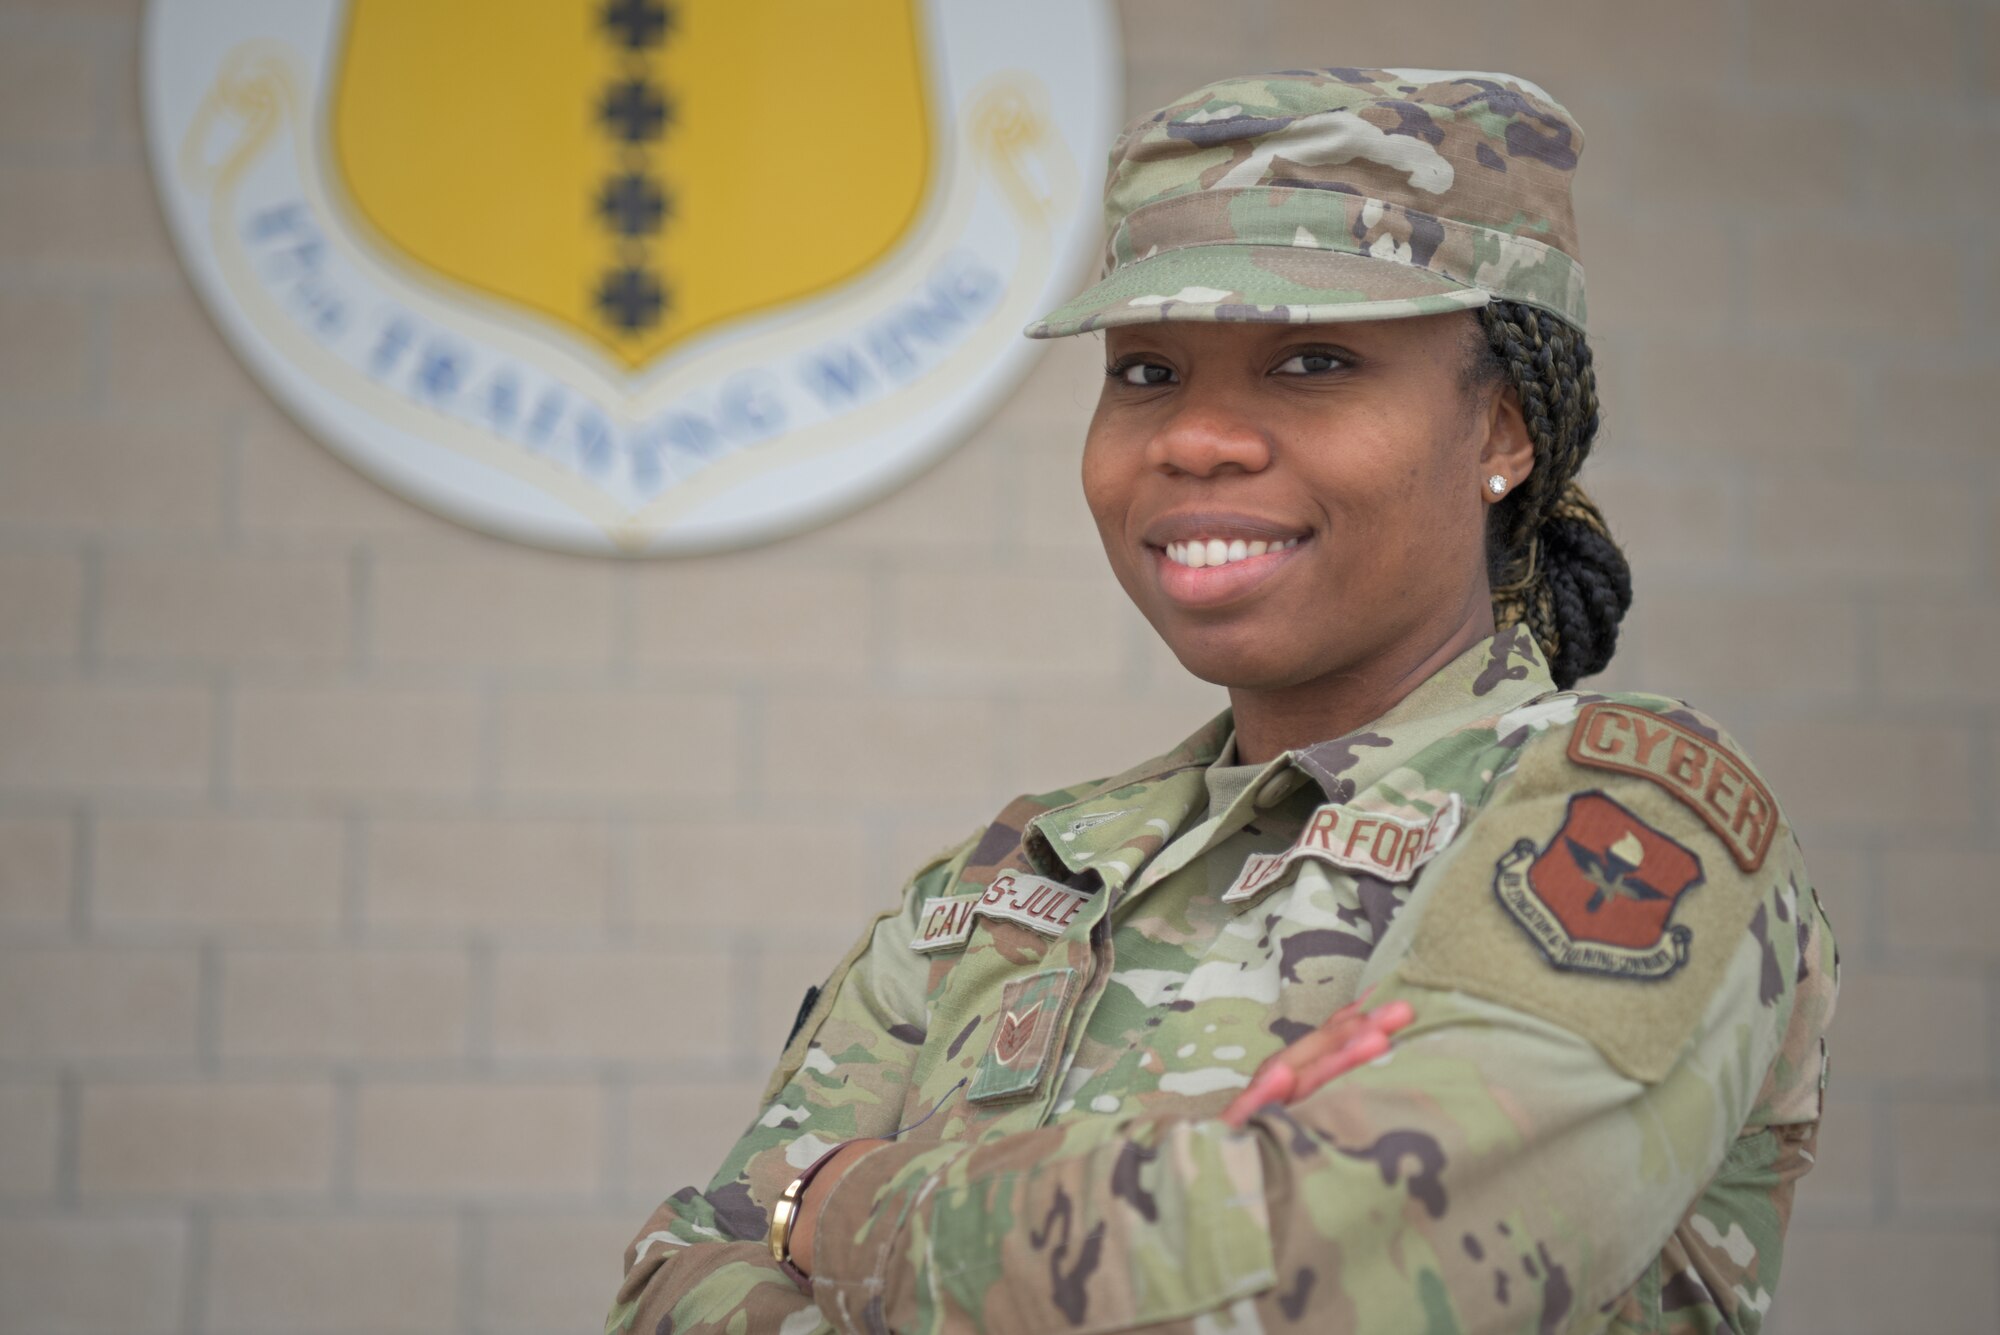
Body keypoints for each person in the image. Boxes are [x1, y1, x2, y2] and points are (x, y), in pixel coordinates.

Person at [606, 67, 1839, 1335]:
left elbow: (1343, 1269)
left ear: (1503, 433)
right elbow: (672, 1274)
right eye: (1144, 372)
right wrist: (1177, 1201)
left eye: (1312, 359)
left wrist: (841, 1208)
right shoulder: (1006, 882)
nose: (1194, 440)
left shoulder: (1626, 816)